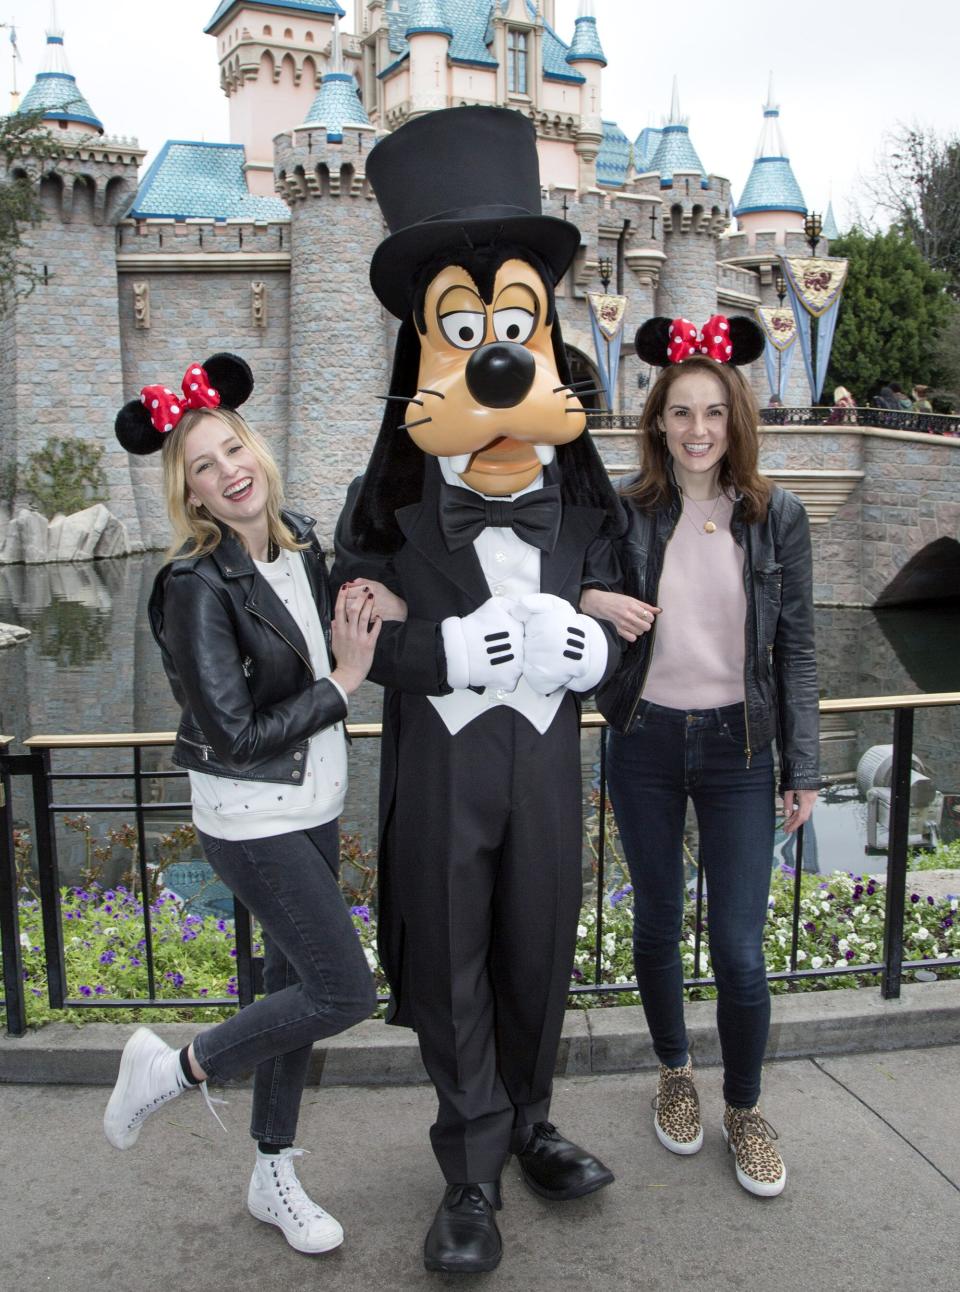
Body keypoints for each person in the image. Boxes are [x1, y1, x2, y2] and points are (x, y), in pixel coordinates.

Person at [332, 107, 623, 1274]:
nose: (495, 349)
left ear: (539, 329)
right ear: (427, 340)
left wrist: (592, 650)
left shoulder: (584, 481)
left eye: (512, 323)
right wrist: (449, 651)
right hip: (443, 763)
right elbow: (353, 632)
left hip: (549, 760)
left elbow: (625, 611)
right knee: (450, 959)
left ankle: (536, 1121)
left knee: (537, 943)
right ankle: (468, 1170)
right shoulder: (387, 493)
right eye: (467, 325)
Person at [104, 353, 380, 1255]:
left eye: (233, 451)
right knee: (342, 990)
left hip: (314, 802)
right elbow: (232, 734)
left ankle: (272, 1173)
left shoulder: (299, 541)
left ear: (255, 447)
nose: (230, 473)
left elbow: (335, 625)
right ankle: (173, 1069)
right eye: (204, 469)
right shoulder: (192, 585)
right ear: (191, 495)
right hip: (250, 819)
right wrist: (342, 685)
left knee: (292, 987)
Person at [581, 313, 820, 1200]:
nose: (697, 431)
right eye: (680, 413)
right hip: (643, 741)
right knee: (655, 919)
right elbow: (557, 581)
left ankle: (746, 1108)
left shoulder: (777, 515)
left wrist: (804, 767)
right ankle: (675, 1070)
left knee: (740, 948)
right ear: (658, 422)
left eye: (713, 413)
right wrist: (597, 595)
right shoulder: (627, 509)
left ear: (736, 420)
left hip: (741, 749)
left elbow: (795, 649)